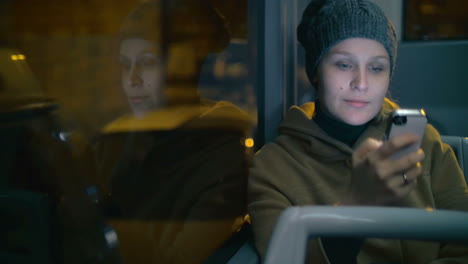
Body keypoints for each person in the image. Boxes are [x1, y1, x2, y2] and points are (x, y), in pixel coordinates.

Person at [247, 0, 468, 263]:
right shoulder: (272, 168)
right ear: (316, 71)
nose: (361, 83)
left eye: (376, 68)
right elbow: (285, 258)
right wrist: (358, 203)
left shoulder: (424, 143)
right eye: (343, 65)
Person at [94, 1, 252, 263]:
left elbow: (179, 257)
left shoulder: (223, 156)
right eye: (125, 65)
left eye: (147, 63)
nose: (132, 79)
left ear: (182, 68)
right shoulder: (114, 143)